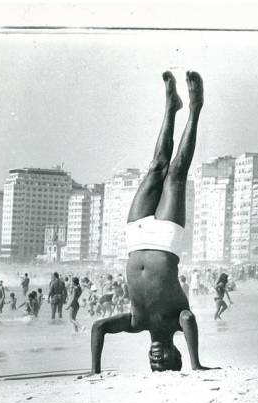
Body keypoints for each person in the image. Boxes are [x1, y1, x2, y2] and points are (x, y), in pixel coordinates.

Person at [87, 71, 214, 375]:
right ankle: (195, 109)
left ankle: (171, 107)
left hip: (136, 237)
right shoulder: (178, 320)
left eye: (154, 363)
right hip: (164, 242)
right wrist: (196, 365)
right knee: (176, 174)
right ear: (176, 355)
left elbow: (98, 327)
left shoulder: (135, 323)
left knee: (157, 166)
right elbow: (189, 320)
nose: (158, 359)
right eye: (166, 362)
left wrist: (95, 371)